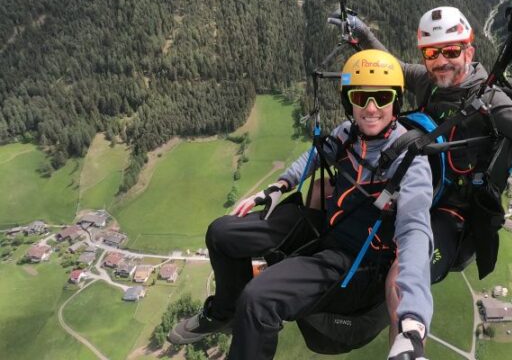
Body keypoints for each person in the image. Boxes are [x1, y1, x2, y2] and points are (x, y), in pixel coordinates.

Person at [168, 49, 434, 360]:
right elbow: (313, 157)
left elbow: (416, 229)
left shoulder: (410, 161)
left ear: (396, 101)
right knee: (222, 233)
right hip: (324, 225)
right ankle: (223, 314)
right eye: (361, 98)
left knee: (258, 298)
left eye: (382, 98)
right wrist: (279, 186)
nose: (371, 108)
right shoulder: (348, 134)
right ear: (350, 102)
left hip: (353, 259)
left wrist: (411, 323)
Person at [330, 6, 512, 283]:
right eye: (432, 53)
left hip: (451, 210)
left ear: (469, 52)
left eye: (452, 51)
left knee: (406, 272)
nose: (441, 61)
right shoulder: (428, 82)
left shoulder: (491, 101)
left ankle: (407, 322)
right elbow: (391, 67)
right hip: (416, 185)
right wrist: (363, 34)